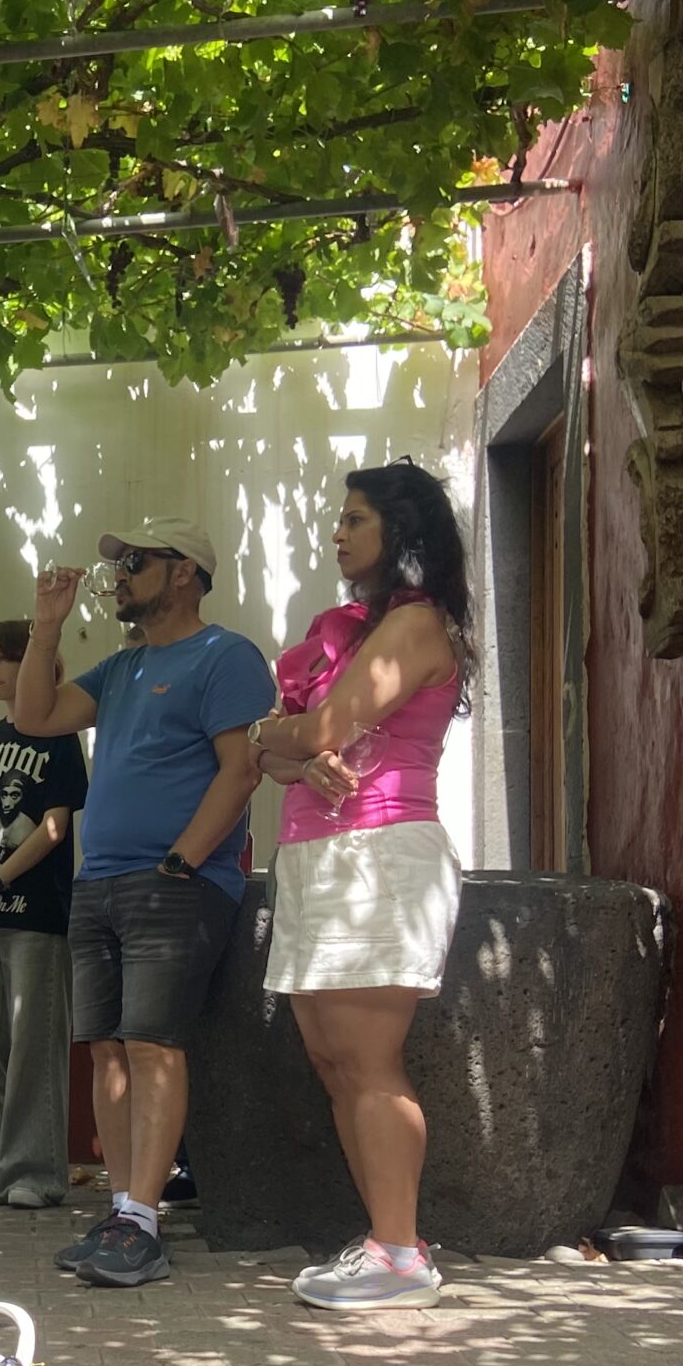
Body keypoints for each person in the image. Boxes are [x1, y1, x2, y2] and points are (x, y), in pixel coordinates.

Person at [16, 522, 272, 1288]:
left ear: (187, 573)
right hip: (100, 882)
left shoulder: (226, 656)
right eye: (119, 564)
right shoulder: (122, 667)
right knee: (108, 1049)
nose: (120, 575)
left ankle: (145, 1221)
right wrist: (46, 628)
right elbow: (35, 717)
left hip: (174, 884)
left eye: (136, 563)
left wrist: (181, 861)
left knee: (153, 1043)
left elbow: (242, 769)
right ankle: (125, 1208)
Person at [248, 462, 472, 1310]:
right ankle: (384, 1237)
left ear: (401, 535)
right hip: (320, 855)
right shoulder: (348, 629)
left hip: (380, 855)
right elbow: (272, 758)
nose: (337, 534)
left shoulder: (415, 626)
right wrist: (286, 742)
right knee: (333, 1060)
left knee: (370, 1060)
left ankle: (403, 1254)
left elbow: (320, 729)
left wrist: (287, 736)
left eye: (355, 519)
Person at [0, 617, 89, 1209]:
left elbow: (55, 826)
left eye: (6, 657)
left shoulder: (59, 735)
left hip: (34, 913)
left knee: (33, 1041)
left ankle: (35, 1174)